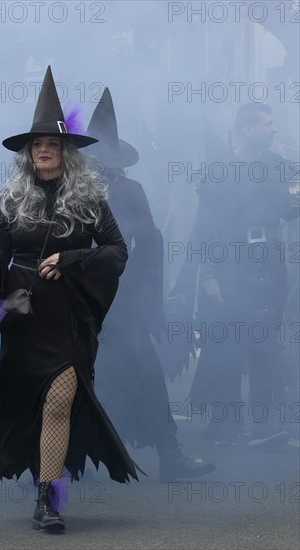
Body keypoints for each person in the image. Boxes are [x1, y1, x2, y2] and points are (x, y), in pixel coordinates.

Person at [0, 66, 141, 532]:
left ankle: (47, 499)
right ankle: (41, 481)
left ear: (66, 152)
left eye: (52, 145)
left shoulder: (90, 199)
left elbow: (117, 251)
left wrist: (72, 258)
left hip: (69, 317)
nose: (43, 151)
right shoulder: (11, 198)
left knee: (60, 401)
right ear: (28, 153)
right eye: (36, 145)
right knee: (33, 403)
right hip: (24, 317)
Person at [87, 88, 216, 482]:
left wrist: (148, 304)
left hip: (123, 303)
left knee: (145, 374)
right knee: (74, 378)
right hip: (76, 302)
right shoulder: (63, 193)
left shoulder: (129, 191)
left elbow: (150, 244)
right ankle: (68, 461)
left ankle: (170, 454)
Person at [187, 103, 299, 447]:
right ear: (248, 129)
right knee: (227, 346)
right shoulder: (218, 168)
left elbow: (287, 212)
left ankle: (265, 426)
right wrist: (209, 278)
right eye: (268, 124)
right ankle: (225, 425)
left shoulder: (278, 165)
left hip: (266, 263)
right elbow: (204, 229)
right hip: (228, 264)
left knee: (265, 344)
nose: (275, 130)